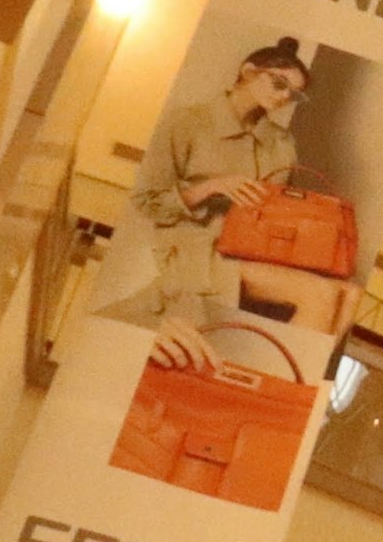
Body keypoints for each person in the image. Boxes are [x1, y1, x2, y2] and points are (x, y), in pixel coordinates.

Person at [123, 39, 347, 365]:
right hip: (198, 248)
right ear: (247, 72)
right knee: (320, 294)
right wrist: (213, 187)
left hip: (251, 249)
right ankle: (277, 385)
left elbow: (278, 209)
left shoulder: (281, 143)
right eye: (279, 83)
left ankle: (290, 387)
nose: (284, 96)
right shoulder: (187, 122)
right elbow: (147, 201)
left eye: (293, 93)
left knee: (349, 293)